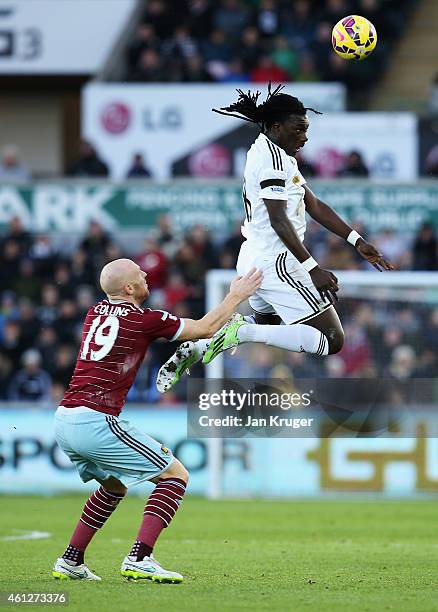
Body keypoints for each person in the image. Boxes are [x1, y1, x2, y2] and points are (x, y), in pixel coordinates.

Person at [156, 84, 392, 393]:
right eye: (299, 130)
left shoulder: (274, 152)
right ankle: (238, 332)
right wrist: (313, 268)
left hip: (254, 257)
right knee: (332, 340)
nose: (305, 137)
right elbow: (280, 220)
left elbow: (314, 204)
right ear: (277, 126)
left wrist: (357, 241)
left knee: (266, 327)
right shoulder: (273, 162)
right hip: (279, 261)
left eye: (306, 130)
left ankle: (200, 348)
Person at [52, 258, 261, 582]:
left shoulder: (95, 312)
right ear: (130, 288)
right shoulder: (143, 320)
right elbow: (204, 327)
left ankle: (71, 560)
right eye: (140, 274)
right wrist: (236, 296)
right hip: (95, 420)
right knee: (175, 475)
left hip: (65, 419)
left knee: (113, 487)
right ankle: (140, 557)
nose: (146, 275)